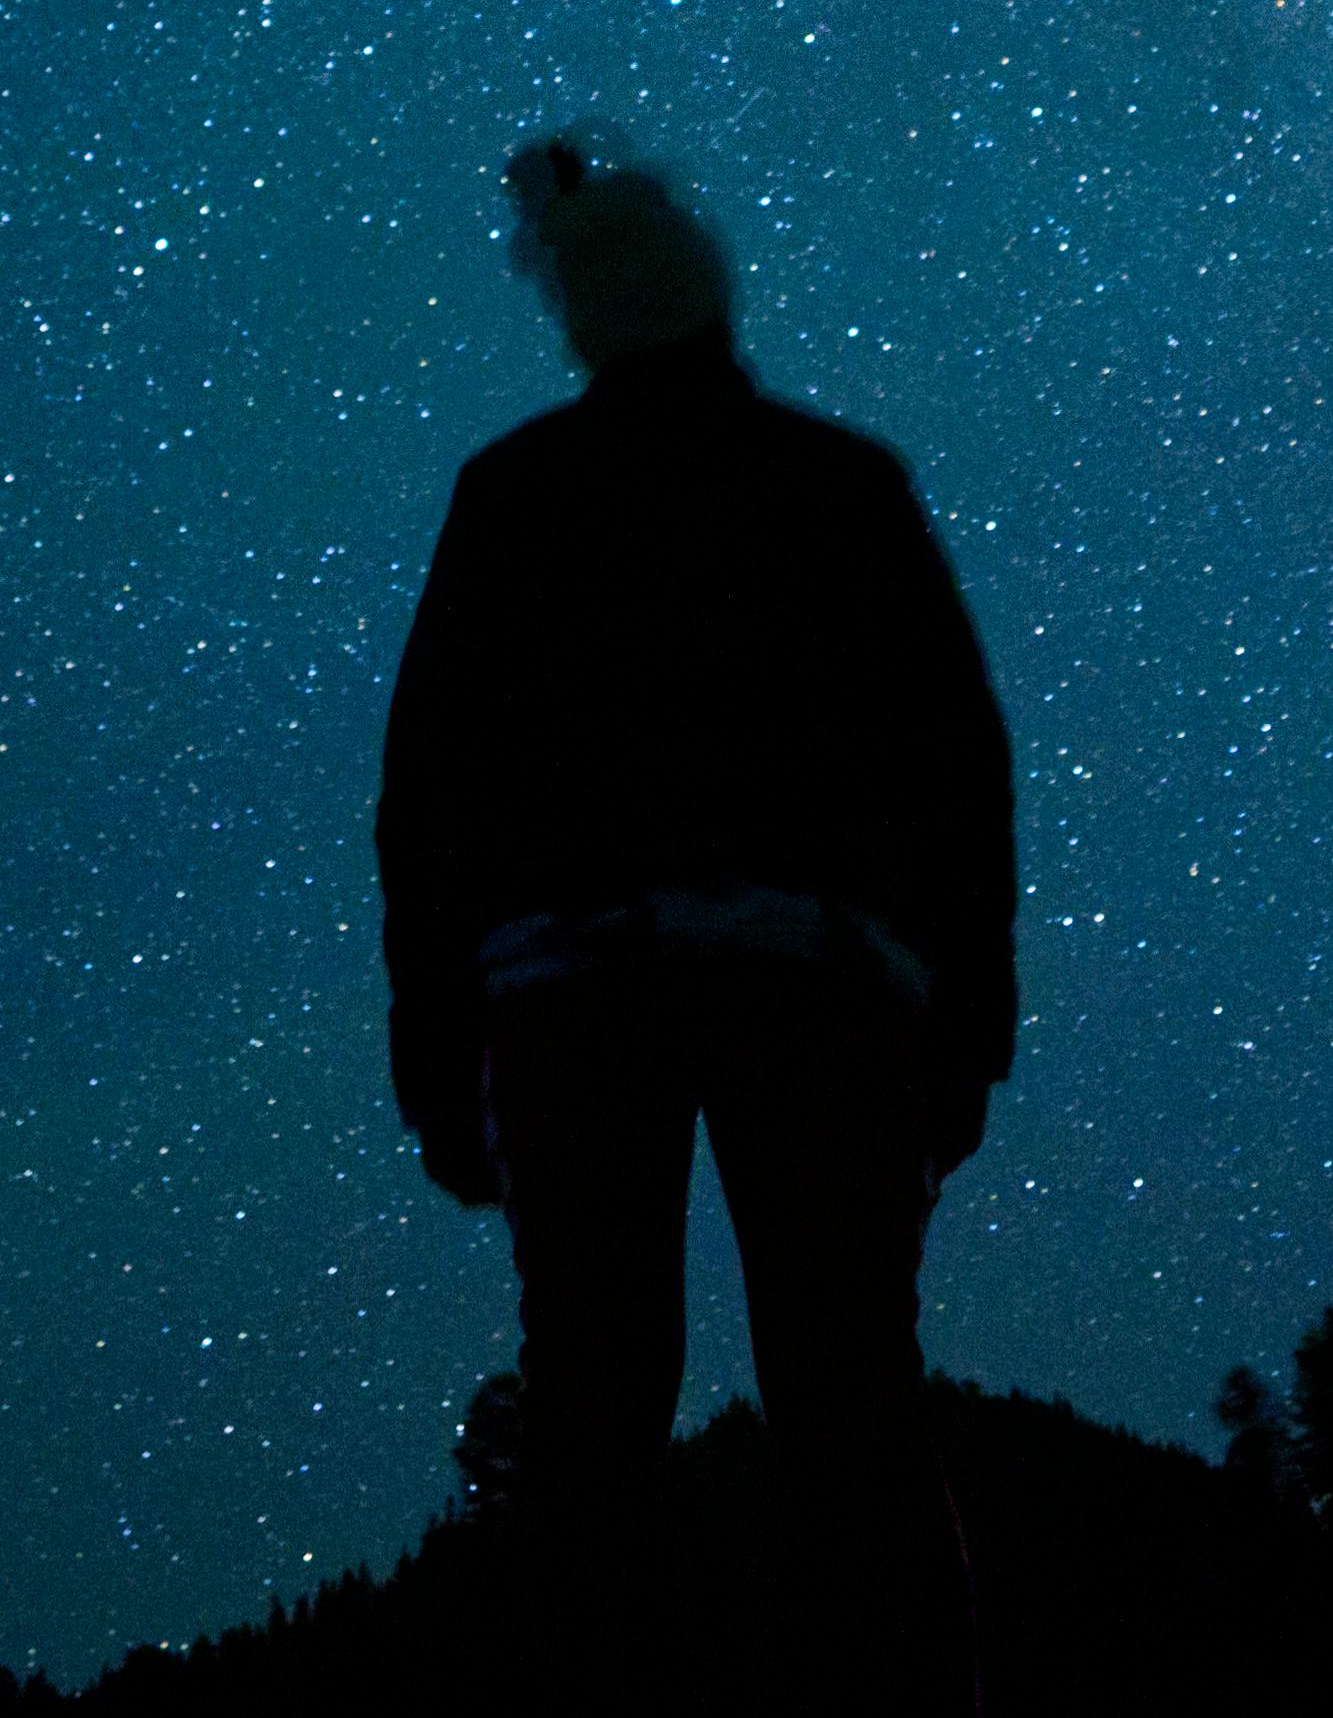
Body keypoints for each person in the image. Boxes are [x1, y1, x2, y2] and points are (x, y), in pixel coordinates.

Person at [377, 136, 1015, 1703]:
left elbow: (431, 798)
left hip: (572, 999)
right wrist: (968, 1029)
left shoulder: (515, 496)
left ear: (581, 315)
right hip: (826, 988)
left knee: (590, 1405)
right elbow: (957, 770)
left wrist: (435, 1047)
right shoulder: (840, 487)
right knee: (852, 1393)